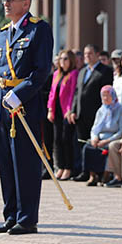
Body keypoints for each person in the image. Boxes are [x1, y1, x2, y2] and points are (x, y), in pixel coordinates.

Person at [0, 0, 52, 235]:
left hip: (24, 105)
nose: (6, 3)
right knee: (6, 162)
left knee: (24, 162)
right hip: (2, 104)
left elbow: (42, 70)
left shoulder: (39, 29)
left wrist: (20, 94)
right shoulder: (4, 32)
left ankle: (26, 218)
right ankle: (10, 214)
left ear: (26, 2)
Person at [69, 45, 114, 181]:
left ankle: (97, 173)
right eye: (85, 54)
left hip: (97, 114)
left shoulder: (105, 71)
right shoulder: (82, 71)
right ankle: (85, 171)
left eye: (90, 53)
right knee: (82, 143)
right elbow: (77, 92)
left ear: (97, 54)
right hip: (81, 114)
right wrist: (73, 110)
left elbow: (107, 92)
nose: (87, 56)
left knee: (95, 144)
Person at [82, 85, 122, 186]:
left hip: (113, 137)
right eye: (103, 96)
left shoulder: (120, 109)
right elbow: (95, 128)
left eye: (108, 95)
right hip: (100, 138)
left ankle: (106, 175)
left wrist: (107, 141)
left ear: (113, 95)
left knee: (108, 148)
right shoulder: (101, 110)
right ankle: (92, 175)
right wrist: (94, 138)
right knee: (88, 147)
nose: (105, 98)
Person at [46, 49, 79, 181]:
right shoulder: (56, 75)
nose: (63, 62)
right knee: (57, 140)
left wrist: (70, 109)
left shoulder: (73, 73)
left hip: (66, 111)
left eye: (65, 59)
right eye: (61, 59)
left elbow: (72, 93)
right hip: (56, 110)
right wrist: (50, 109)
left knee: (67, 140)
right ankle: (59, 166)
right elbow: (52, 93)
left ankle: (68, 167)